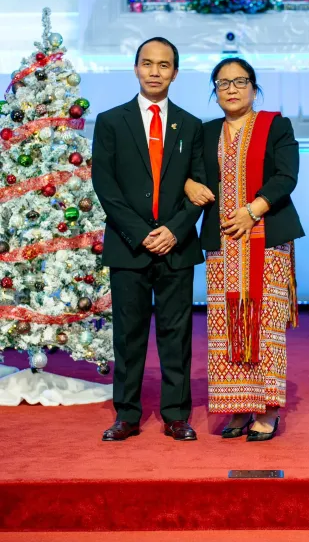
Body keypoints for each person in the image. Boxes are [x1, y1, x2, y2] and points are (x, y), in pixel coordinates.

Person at [92, 37, 205, 442]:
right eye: (147, 63)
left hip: (177, 246)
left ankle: (176, 415)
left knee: (177, 335)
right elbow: (105, 186)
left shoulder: (191, 125)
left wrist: (174, 230)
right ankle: (127, 414)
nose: (155, 71)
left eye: (164, 65)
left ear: (175, 73)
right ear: (136, 68)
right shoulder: (111, 121)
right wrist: (142, 235)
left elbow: (200, 186)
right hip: (129, 247)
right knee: (128, 335)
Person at [185, 58, 304, 441]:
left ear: (254, 87)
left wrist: (253, 210)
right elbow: (187, 173)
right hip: (223, 243)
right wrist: (188, 184)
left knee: (264, 325)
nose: (232, 89)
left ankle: (267, 410)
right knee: (227, 326)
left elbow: (286, 176)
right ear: (214, 91)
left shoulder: (275, 125)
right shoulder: (205, 132)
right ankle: (237, 407)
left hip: (267, 238)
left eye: (240, 81)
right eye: (223, 83)